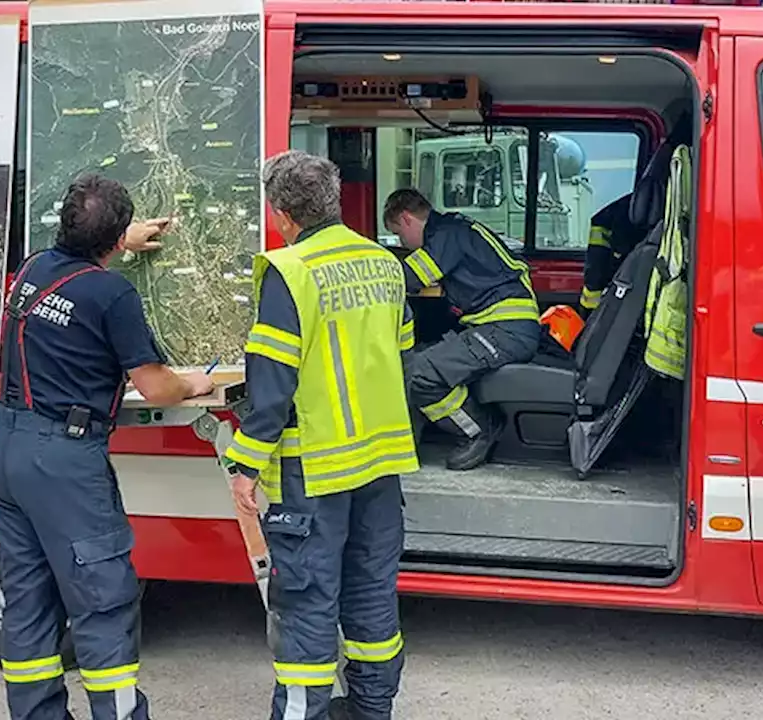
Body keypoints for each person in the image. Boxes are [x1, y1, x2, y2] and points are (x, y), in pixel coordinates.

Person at [0, 174, 215, 720]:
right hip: (64, 463)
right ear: (113, 240)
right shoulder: (112, 295)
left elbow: (75, 269)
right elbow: (157, 386)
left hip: (9, 451)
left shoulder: (34, 268)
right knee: (102, 603)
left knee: (28, 603)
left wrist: (119, 240)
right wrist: (195, 384)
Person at [224, 149, 418, 720]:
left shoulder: (290, 270)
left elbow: (272, 385)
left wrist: (245, 465)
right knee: (373, 597)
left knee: (307, 605)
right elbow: (401, 357)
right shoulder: (385, 263)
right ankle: (371, 710)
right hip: (380, 466)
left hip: (314, 470)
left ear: (282, 213)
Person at [382, 188, 541, 471]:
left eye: (398, 235)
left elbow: (407, 278)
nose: (402, 243)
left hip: (505, 330)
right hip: (502, 327)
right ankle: (405, 443)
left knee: (418, 374)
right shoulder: (454, 229)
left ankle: (480, 427)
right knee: (415, 358)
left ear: (406, 219)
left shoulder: (445, 234)